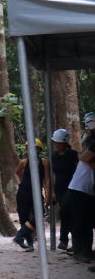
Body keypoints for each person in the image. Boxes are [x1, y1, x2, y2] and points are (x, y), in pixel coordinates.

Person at [65, 113, 95, 265]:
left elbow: (83, 157)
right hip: (79, 187)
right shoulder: (92, 144)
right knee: (81, 220)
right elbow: (84, 158)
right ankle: (78, 251)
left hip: (88, 188)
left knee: (88, 221)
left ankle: (88, 251)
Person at [13, 139, 50, 251]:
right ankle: (29, 244)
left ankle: (19, 236)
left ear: (38, 150)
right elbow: (16, 173)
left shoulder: (44, 162)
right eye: (27, 149)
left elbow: (47, 179)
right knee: (24, 218)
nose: (28, 151)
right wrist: (20, 183)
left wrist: (48, 194)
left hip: (36, 193)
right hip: (23, 192)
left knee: (39, 215)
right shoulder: (24, 162)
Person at [51, 129, 79, 252]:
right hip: (59, 188)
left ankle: (70, 240)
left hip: (72, 187)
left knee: (68, 212)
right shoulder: (54, 156)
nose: (57, 145)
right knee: (65, 214)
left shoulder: (73, 155)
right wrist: (51, 191)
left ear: (65, 143)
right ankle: (64, 240)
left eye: (59, 143)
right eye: (55, 143)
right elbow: (53, 174)